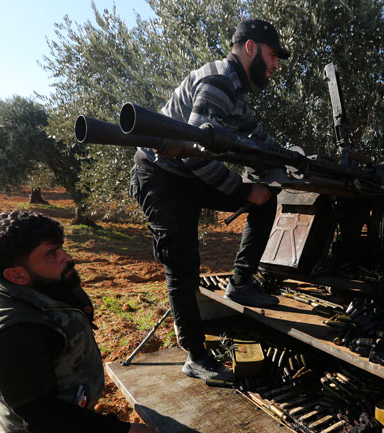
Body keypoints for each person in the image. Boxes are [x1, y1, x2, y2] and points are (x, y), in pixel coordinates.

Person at [129, 18, 290, 381]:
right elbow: (193, 155)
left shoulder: (236, 90)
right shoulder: (218, 83)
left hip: (188, 173)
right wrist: (245, 189)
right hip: (161, 177)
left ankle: (241, 283)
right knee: (183, 266)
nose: (276, 64)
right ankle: (196, 356)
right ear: (251, 48)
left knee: (268, 200)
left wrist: (292, 158)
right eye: (273, 55)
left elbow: (256, 136)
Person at [0, 210, 157, 433]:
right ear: (17, 275)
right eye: (51, 253)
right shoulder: (14, 338)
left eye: (61, 247)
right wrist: (122, 431)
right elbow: (45, 419)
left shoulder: (34, 285)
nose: (67, 257)